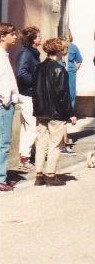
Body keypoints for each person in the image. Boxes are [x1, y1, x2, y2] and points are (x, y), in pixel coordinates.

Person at [31, 38, 77, 187]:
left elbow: (35, 91)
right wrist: (70, 113)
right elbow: (63, 94)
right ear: (58, 50)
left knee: (41, 144)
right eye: (64, 48)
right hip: (56, 112)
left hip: (41, 111)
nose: (65, 51)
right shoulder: (60, 69)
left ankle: (39, 175)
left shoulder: (38, 67)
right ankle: (51, 175)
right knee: (55, 145)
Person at [15, 26, 41, 169]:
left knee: (27, 127)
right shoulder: (27, 54)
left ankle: (24, 156)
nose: (41, 38)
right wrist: (36, 81)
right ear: (34, 39)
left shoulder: (32, 53)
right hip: (27, 94)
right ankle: (25, 158)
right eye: (39, 35)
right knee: (31, 127)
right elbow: (21, 73)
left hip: (29, 93)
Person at [0, 23, 19, 192]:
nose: (15, 37)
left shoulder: (4, 55)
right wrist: (6, 99)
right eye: (12, 34)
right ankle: (0, 178)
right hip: (3, 105)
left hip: (7, 103)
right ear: (2, 36)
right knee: (4, 143)